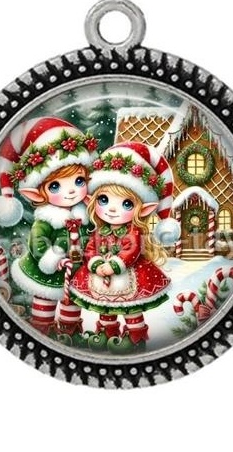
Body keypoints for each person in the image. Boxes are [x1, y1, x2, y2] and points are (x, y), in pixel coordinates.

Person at [0, 117, 98, 336]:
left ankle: (69, 331)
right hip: (46, 272)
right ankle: (42, 329)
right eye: (56, 186)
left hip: (75, 272)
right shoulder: (46, 220)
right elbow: (37, 243)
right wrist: (53, 258)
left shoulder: (84, 216)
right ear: (37, 193)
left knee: (72, 302)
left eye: (79, 181)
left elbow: (90, 238)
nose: (71, 191)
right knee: (44, 301)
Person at [69, 142, 180, 350]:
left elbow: (131, 250)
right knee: (105, 306)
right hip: (100, 277)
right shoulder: (99, 230)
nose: (112, 209)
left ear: (143, 209)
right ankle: (106, 332)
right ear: (91, 200)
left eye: (126, 203)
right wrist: (95, 263)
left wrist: (115, 265)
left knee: (131, 309)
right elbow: (91, 248)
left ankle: (135, 337)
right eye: (103, 199)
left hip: (129, 276)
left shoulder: (133, 231)